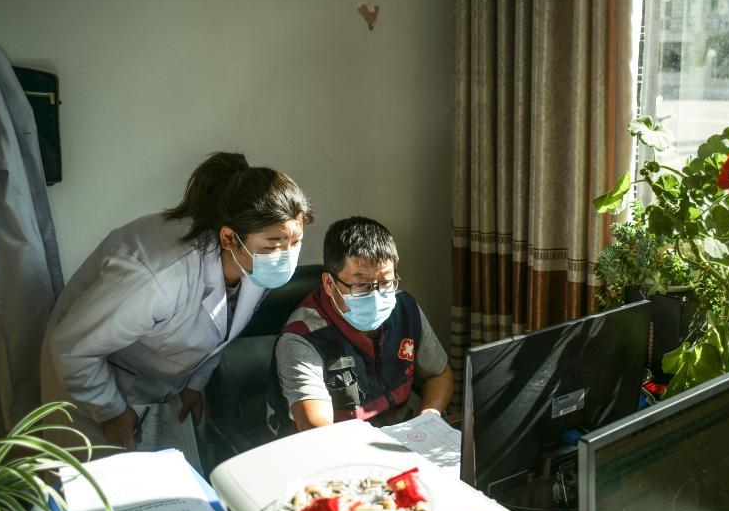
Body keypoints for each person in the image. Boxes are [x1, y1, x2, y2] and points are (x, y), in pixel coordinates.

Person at [40, 152, 312, 449]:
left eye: (295, 241)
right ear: (229, 238)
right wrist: (110, 410)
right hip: (92, 384)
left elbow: (220, 329)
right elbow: (73, 348)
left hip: (159, 383)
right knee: (107, 475)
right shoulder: (159, 277)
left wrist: (194, 384)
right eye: (274, 244)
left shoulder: (252, 263)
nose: (286, 255)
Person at [275, 216, 454, 430]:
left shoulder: (404, 308)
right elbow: (317, 427)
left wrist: (428, 419)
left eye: (385, 282)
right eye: (361, 285)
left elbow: (439, 375)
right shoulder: (302, 336)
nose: (377, 296)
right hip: (339, 444)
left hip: (400, 433)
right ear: (329, 284)